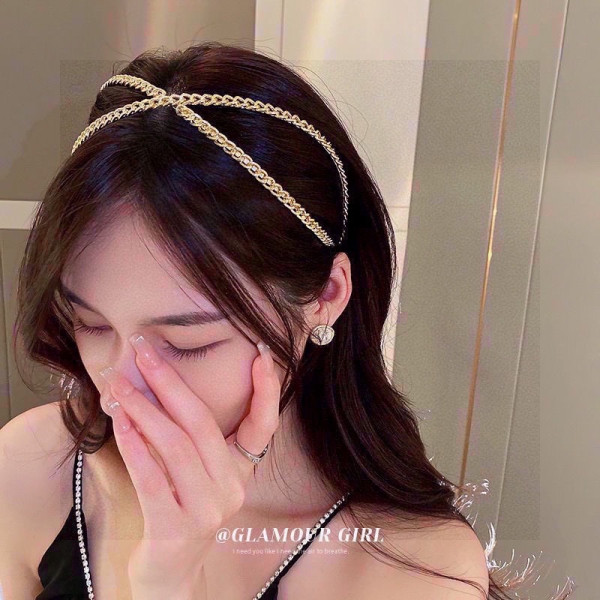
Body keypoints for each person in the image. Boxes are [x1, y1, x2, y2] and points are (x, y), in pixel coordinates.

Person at [0, 41, 573, 600]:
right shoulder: (35, 463)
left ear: (325, 295)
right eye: (91, 324)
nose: (119, 390)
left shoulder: (413, 568)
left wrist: (167, 585)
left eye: (186, 342)